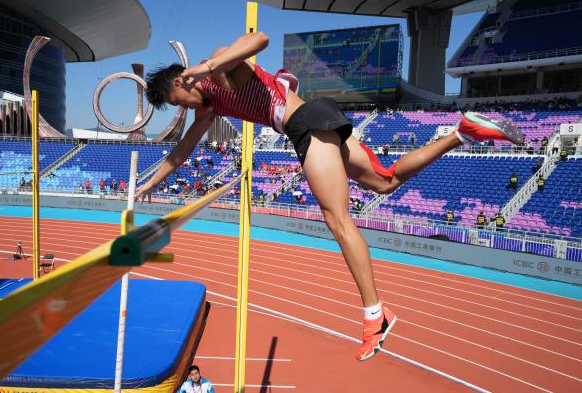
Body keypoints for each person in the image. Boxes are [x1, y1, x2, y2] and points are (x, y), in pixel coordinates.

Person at [135, 31, 523, 361]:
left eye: (176, 101)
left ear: (180, 82)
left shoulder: (218, 67)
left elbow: (260, 38)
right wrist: (151, 183)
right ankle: (464, 132)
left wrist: (204, 67)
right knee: (385, 181)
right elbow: (181, 151)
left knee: (336, 218)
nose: (182, 109)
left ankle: (376, 314)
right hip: (318, 119)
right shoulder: (211, 108)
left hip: (306, 125)